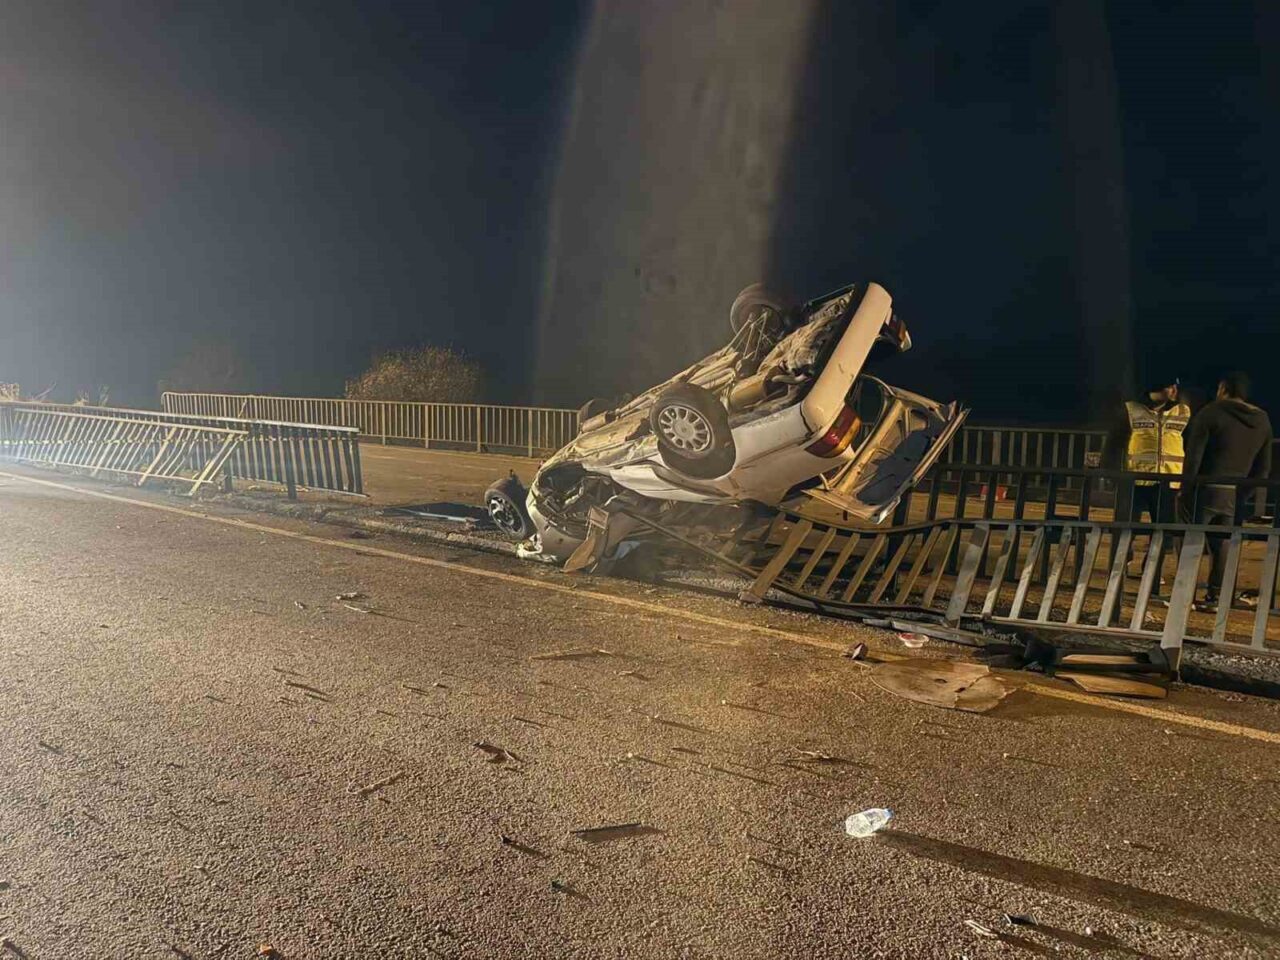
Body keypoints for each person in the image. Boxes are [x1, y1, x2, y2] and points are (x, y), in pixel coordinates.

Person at [1178, 371, 1274, 609]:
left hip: (1205, 488)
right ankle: (1217, 597)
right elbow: (1263, 468)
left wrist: (1185, 489)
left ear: (1223, 389)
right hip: (1233, 492)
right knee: (1222, 545)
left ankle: (1184, 596)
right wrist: (1242, 495)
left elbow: (1194, 458)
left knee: (1189, 540)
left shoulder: (1211, 413)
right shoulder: (1262, 420)